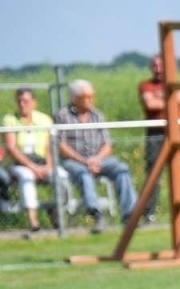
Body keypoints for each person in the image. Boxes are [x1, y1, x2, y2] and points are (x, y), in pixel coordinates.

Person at [54, 79, 137, 231]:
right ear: (75, 98)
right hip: (74, 161)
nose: (91, 100)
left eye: (92, 96)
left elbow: (108, 144)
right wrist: (85, 161)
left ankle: (130, 214)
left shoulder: (98, 115)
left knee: (122, 169)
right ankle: (95, 214)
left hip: (99, 159)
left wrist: (97, 159)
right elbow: (62, 146)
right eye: (87, 96)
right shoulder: (63, 116)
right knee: (83, 173)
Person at [4, 88, 68, 236]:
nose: (22, 104)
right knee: (27, 176)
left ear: (34, 102)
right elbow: (12, 148)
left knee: (62, 176)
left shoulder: (45, 120)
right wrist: (33, 167)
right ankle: (33, 221)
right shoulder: (10, 119)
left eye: (25, 101)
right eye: (19, 101)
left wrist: (48, 165)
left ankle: (57, 211)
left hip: (42, 162)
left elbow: (50, 147)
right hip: (19, 164)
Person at [137, 56, 166, 220]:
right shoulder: (145, 85)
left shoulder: (173, 84)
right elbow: (150, 105)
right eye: (154, 65)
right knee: (153, 174)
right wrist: (171, 99)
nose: (158, 68)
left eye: (161, 64)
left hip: (177, 132)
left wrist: (160, 98)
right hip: (155, 135)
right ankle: (150, 212)